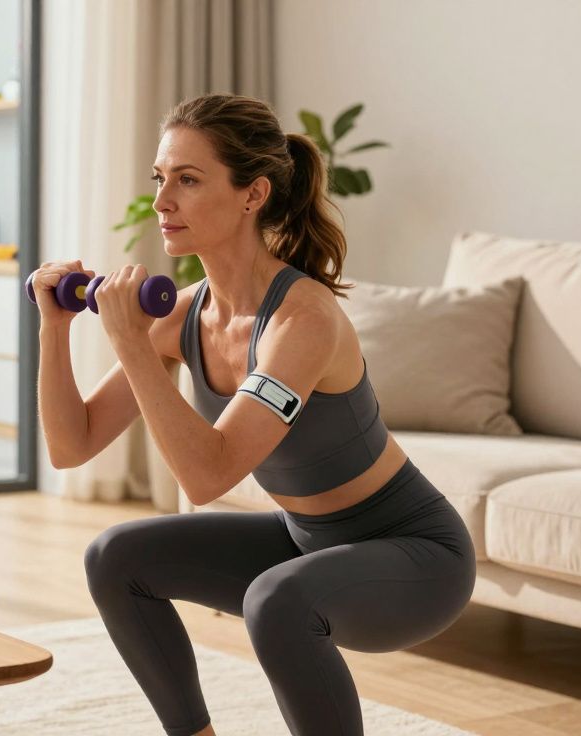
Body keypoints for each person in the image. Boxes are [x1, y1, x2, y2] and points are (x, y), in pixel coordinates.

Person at [32, 94, 476, 736]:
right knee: (115, 556)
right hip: (305, 540)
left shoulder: (302, 320)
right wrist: (55, 329)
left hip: (415, 556)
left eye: (188, 180)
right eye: (161, 179)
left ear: (252, 194)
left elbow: (206, 475)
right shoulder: (184, 315)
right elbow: (72, 446)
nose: (163, 201)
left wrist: (131, 341)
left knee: (276, 602)